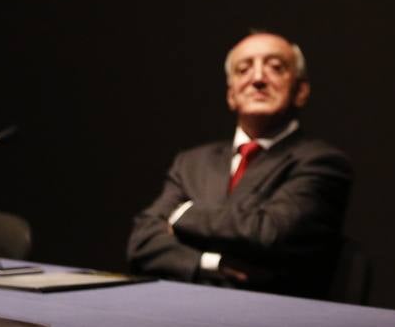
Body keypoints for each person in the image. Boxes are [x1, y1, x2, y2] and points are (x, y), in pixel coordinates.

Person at [127, 31, 353, 298]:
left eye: (276, 68)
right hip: (182, 310)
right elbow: (142, 241)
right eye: (244, 69)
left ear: (300, 91)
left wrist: (181, 217)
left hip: (272, 319)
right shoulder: (192, 162)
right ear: (231, 94)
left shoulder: (322, 162)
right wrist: (211, 264)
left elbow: (267, 232)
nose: (257, 79)